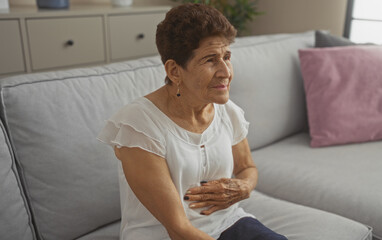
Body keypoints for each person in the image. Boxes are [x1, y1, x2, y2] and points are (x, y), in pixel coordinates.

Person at [98, 3, 288, 240]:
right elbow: (179, 229)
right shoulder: (139, 127)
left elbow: (247, 168)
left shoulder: (227, 111)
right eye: (210, 60)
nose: (225, 71)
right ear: (174, 71)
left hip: (226, 223)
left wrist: (244, 187)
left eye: (226, 57)